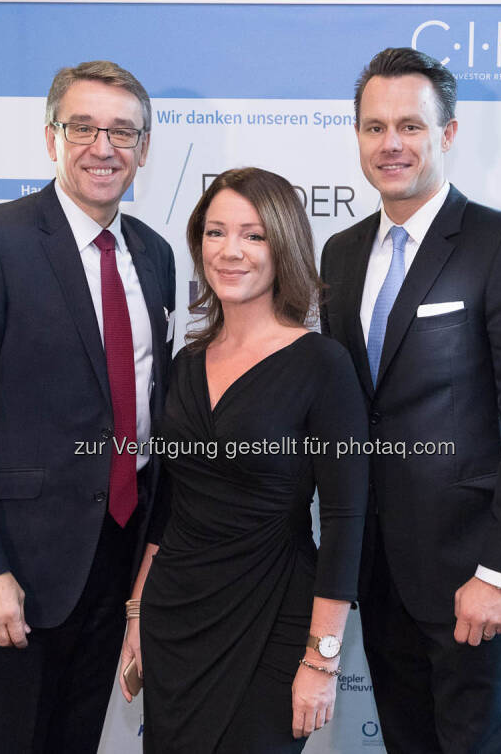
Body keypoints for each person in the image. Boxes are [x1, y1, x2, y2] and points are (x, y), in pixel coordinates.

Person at [0, 60, 175, 753]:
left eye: (123, 132)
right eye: (83, 127)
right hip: (19, 566)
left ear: (144, 149)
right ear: (51, 137)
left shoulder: (153, 254)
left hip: (119, 554)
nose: (104, 147)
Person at [320, 47, 501, 753]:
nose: (390, 144)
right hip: (381, 571)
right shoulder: (339, 254)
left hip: (474, 572)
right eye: (373, 127)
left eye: (409, 125)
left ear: (448, 134)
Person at [122, 168, 369, 752]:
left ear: (282, 246)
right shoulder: (185, 362)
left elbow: (343, 520)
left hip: (275, 617)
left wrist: (322, 658)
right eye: (215, 233)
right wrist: (137, 611)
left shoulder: (322, 366)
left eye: (253, 235)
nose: (230, 251)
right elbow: (171, 504)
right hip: (175, 617)